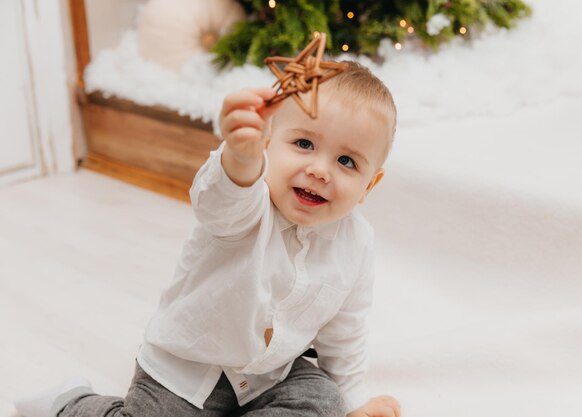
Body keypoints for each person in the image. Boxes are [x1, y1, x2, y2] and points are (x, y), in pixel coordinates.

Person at [14, 61, 401, 417]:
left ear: (371, 184)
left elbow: (345, 332)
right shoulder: (247, 201)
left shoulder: (357, 243)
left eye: (346, 162)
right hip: (187, 369)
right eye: (304, 144)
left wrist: (353, 400)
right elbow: (218, 200)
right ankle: (72, 403)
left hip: (272, 374)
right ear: (268, 143)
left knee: (324, 400)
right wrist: (241, 156)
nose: (319, 170)